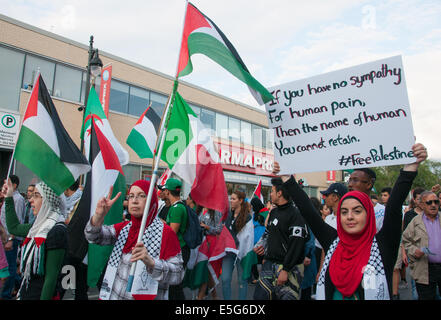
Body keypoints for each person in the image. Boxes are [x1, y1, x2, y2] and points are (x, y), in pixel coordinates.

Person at [274, 143, 427, 300]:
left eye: (357, 211)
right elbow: (308, 210)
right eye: (344, 212)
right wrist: (286, 177)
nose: (350, 217)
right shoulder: (332, 242)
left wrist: (411, 165)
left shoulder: (383, 246)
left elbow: (394, 206)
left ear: (368, 215)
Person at [85, 180, 184, 300]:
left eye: (142, 196)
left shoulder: (166, 233)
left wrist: (151, 262)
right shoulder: (124, 228)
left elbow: (178, 274)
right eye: (131, 196)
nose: (134, 201)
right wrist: (98, 216)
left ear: (152, 200)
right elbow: (93, 237)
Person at [3, 179, 67, 300]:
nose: (31, 200)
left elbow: (50, 279)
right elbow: (14, 227)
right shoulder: (38, 226)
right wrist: (9, 197)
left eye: (37, 196)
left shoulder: (57, 231)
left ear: (49, 201)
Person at [253, 178, 308, 300]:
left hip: (288, 269)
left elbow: (296, 245)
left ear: (280, 193)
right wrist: (263, 250)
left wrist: (286, 270)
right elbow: (268, 234)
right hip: (269, 265)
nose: (270, 194)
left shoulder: (296, 215)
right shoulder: (273, 212)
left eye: (272, 191)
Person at [402, 190, 441, 300]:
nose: (433, 205)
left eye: (436, 202)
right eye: (429, 202)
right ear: (422, 205)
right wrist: (414, 250)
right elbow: (406, 241)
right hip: (424, 268)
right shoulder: (415, 222)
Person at [222, 190, 253, 300]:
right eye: (231, 198)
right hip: (229, 252)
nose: (231, 201)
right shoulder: (228, 215)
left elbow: (248, 239)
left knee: (242, 280)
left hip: (242, 253)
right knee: (225, 279)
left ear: (240, 201)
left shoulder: (248, 218)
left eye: (234, 199)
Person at [162, 178, 189, 300]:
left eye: (164, 190)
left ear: (168, 191)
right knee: (173, 286)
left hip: (179, 250)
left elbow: (172, 233)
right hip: (178, 249)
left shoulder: (177, 208)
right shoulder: (177, 206)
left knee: (175, 285)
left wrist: (162, 224)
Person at [1, 175, 26, 300]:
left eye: (7, 183)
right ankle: (20, 285)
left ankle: (6, 294)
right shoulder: (6, 198)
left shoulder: (18, 199)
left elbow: (17, 221)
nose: (3, 186)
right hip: (4, 238)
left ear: (14, 185)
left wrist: (11, 239)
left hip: (11, 239)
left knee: (9, 267)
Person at [196, 208, 223, 300]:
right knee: (204, 269)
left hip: (211, 243)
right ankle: (213, 295)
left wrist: (207, 227)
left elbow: (219, 230)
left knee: (208, 270)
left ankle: (201, 295)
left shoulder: (216, 211)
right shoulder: (200, 209)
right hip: (201, 242)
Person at [250, 197, 269, 284]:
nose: (252, 207)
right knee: (253, 260)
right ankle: (256, 277)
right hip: (254, 242)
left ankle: (264, 278)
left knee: (263, 261)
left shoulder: (266, 213)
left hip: (263, 242)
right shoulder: (254, 214)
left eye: (253, 205)